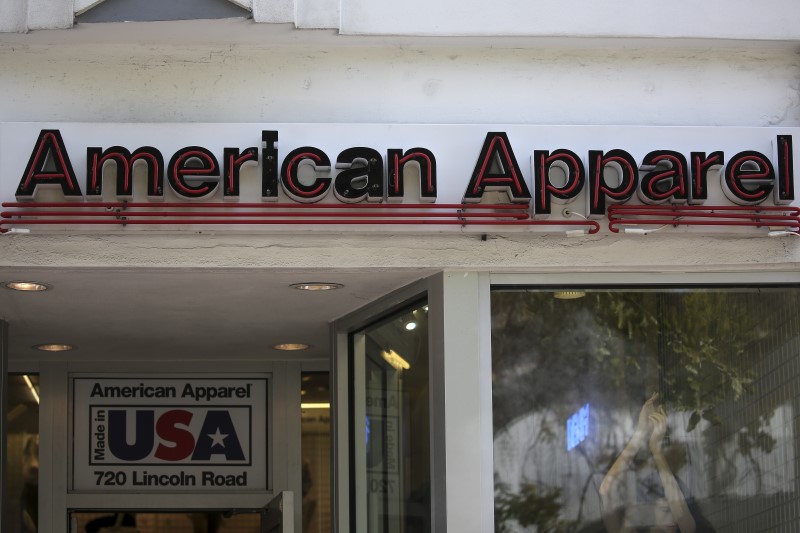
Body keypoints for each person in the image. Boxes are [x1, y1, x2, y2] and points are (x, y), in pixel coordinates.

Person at [599, 393, 696, 533]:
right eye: (666, 511)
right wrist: (640, 434)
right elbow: (607, 490)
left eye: (672, 510)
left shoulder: (685, 526)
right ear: (649, 513)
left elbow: (683, 518)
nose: (674, 518)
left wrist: (656, 451)